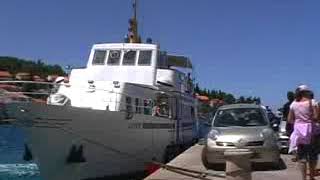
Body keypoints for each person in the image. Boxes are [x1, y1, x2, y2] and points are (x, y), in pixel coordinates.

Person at [288, 85, 319, 180]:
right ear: (306, 92)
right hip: (311, 132)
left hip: (299, 133)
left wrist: (299, 123)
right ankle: (312, 177)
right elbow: (316, 117)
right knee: (313, 156)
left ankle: (303, 178)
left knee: (302, 157)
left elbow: (289, 119)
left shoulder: (293, 104)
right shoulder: (312, 102)